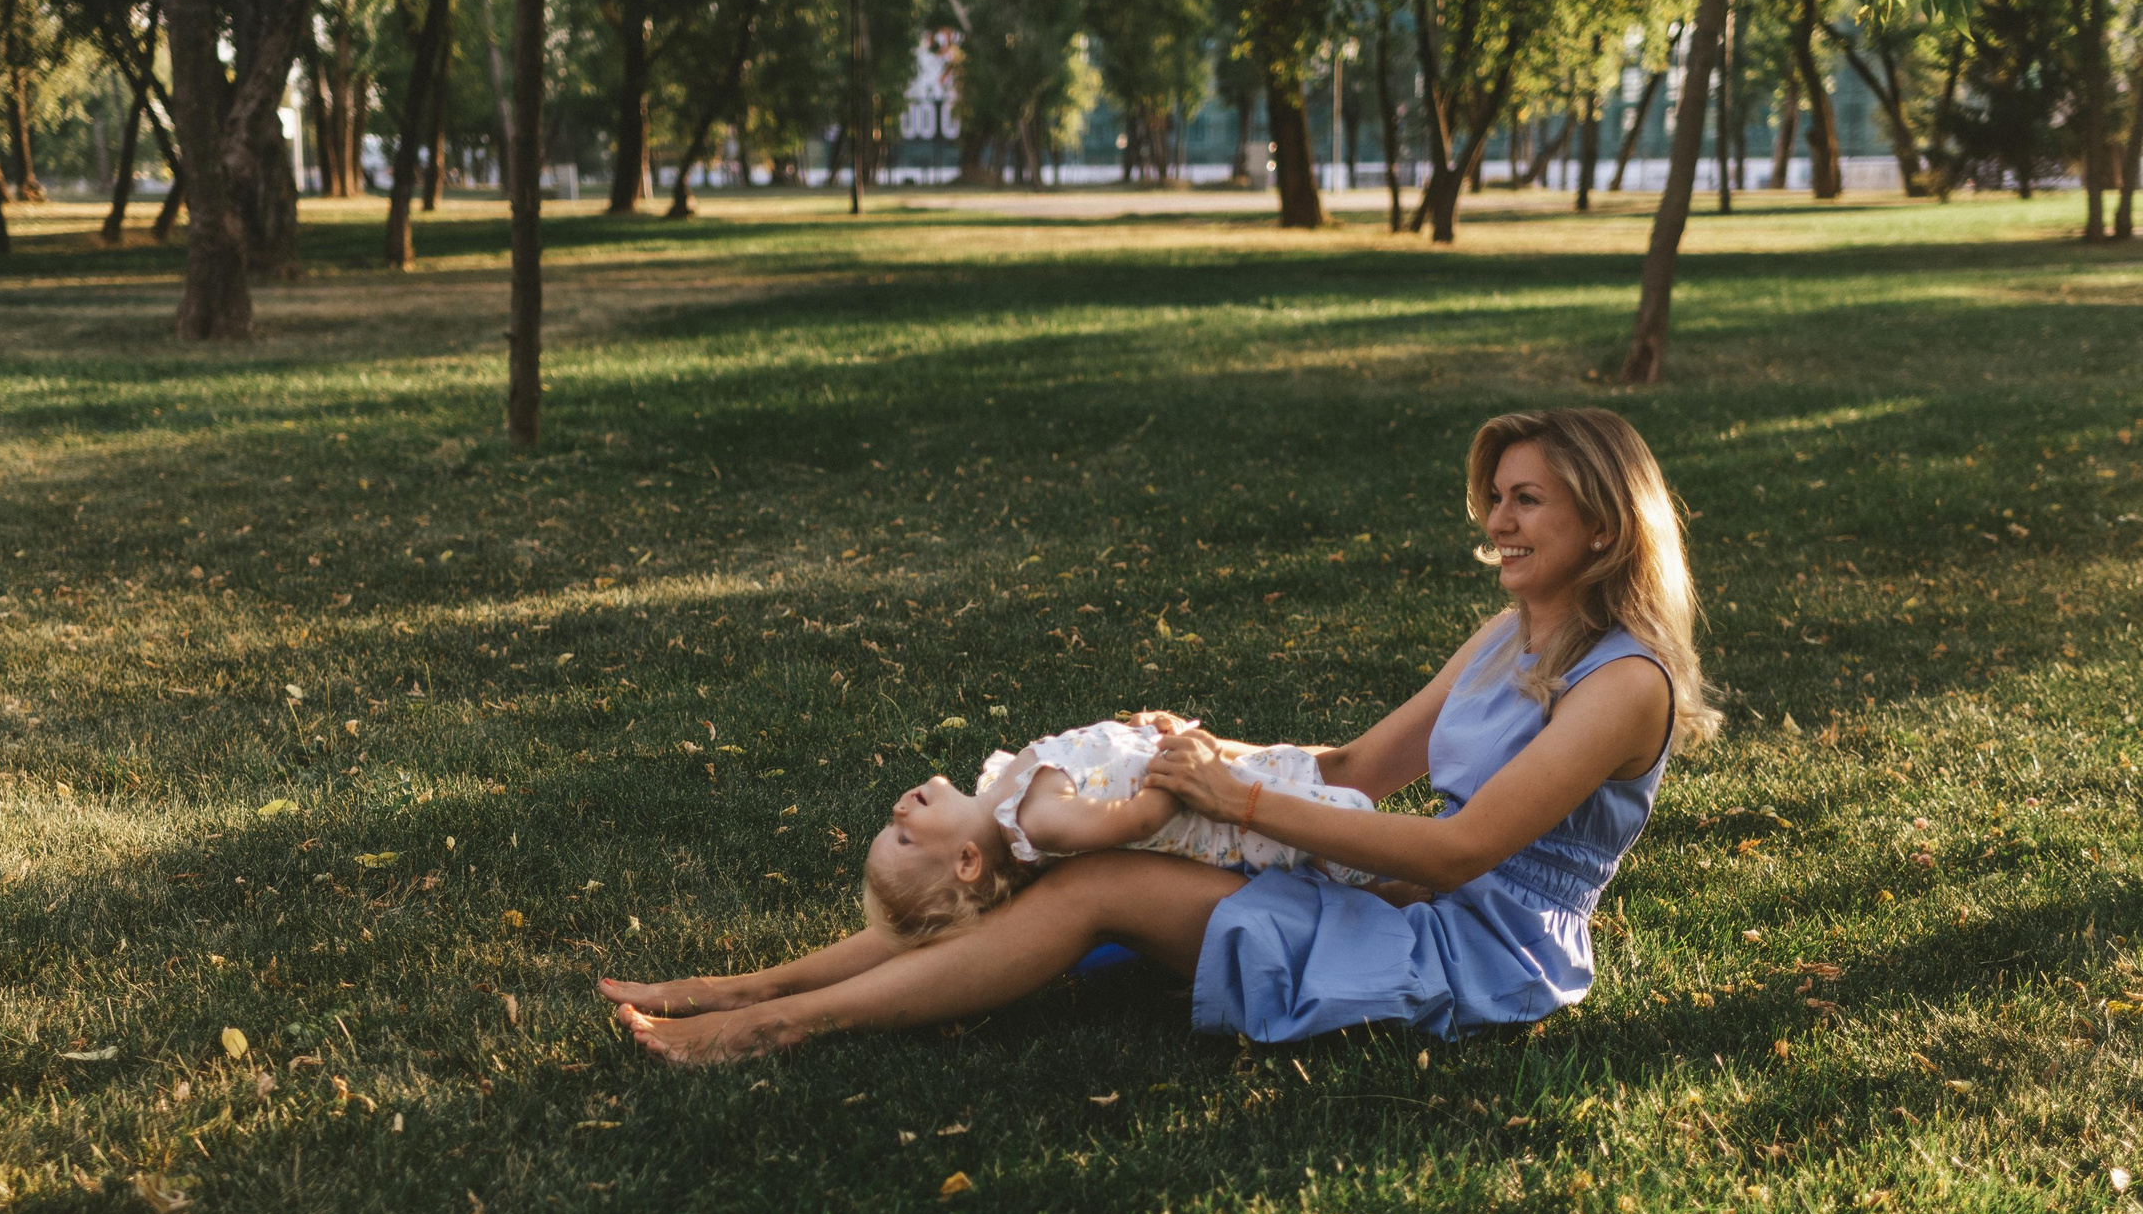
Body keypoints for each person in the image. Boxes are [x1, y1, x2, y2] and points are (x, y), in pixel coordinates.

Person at [602, 407, 1720, 1065]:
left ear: (1605, 521)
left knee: (1094, 889)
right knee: (1084, 849)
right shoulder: (1504, 636)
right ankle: (746, 985)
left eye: (1527, 500)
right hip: (1401, 898)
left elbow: (1456, 855)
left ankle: (772, 1028)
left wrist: (1228, 802)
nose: (1496, 521)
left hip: (1475, 947)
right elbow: (1352, 771)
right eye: (1496, 498)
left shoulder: (1624, 686)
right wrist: (1188, 752)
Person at [863, 717, 1377, 943]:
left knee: (1294, 784)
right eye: (902, 836)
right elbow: (1139, 818)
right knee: (1340, 837)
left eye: (891, 824)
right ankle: (1388, 888)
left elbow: (1098, 763)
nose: (899, 811)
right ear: (967, 862)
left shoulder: (1002, 783)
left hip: (1210, 781)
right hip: (1224, 822)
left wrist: (1141, 734)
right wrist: (1174, 759)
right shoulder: (1040, 821)